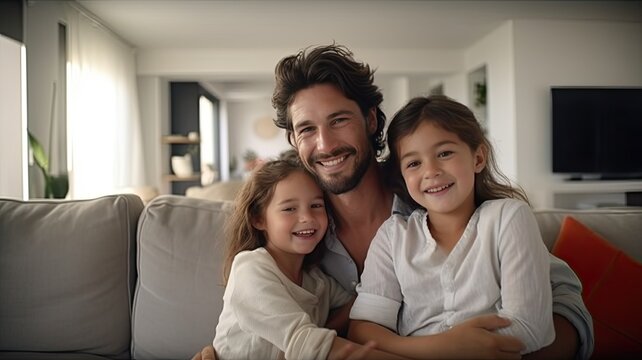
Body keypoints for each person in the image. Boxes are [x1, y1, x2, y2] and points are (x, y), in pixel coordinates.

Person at [193, 44, 593, 360]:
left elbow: (561, 298)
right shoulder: (299, 231)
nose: (326, 144)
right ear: (294, 142)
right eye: (307, 129)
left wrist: (503, 351)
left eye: (338, 120)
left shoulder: (435, 196)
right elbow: (264, 317)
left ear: (370, 120)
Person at [348, 95, 555, 358]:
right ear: (402, 175)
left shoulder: (509, 218)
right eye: (413, 163)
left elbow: (531, 328)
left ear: (478, 158)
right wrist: (443, 347)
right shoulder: (393, 236)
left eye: (444, 153)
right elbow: (363, 330)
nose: (431, 171)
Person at [211, 158, 404, 360]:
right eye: (289, 209)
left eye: (316, 205)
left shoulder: (318, 281)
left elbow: (358, 304)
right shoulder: (250, 268)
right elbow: (304, 341)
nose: (307, 217)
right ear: (259, 219)